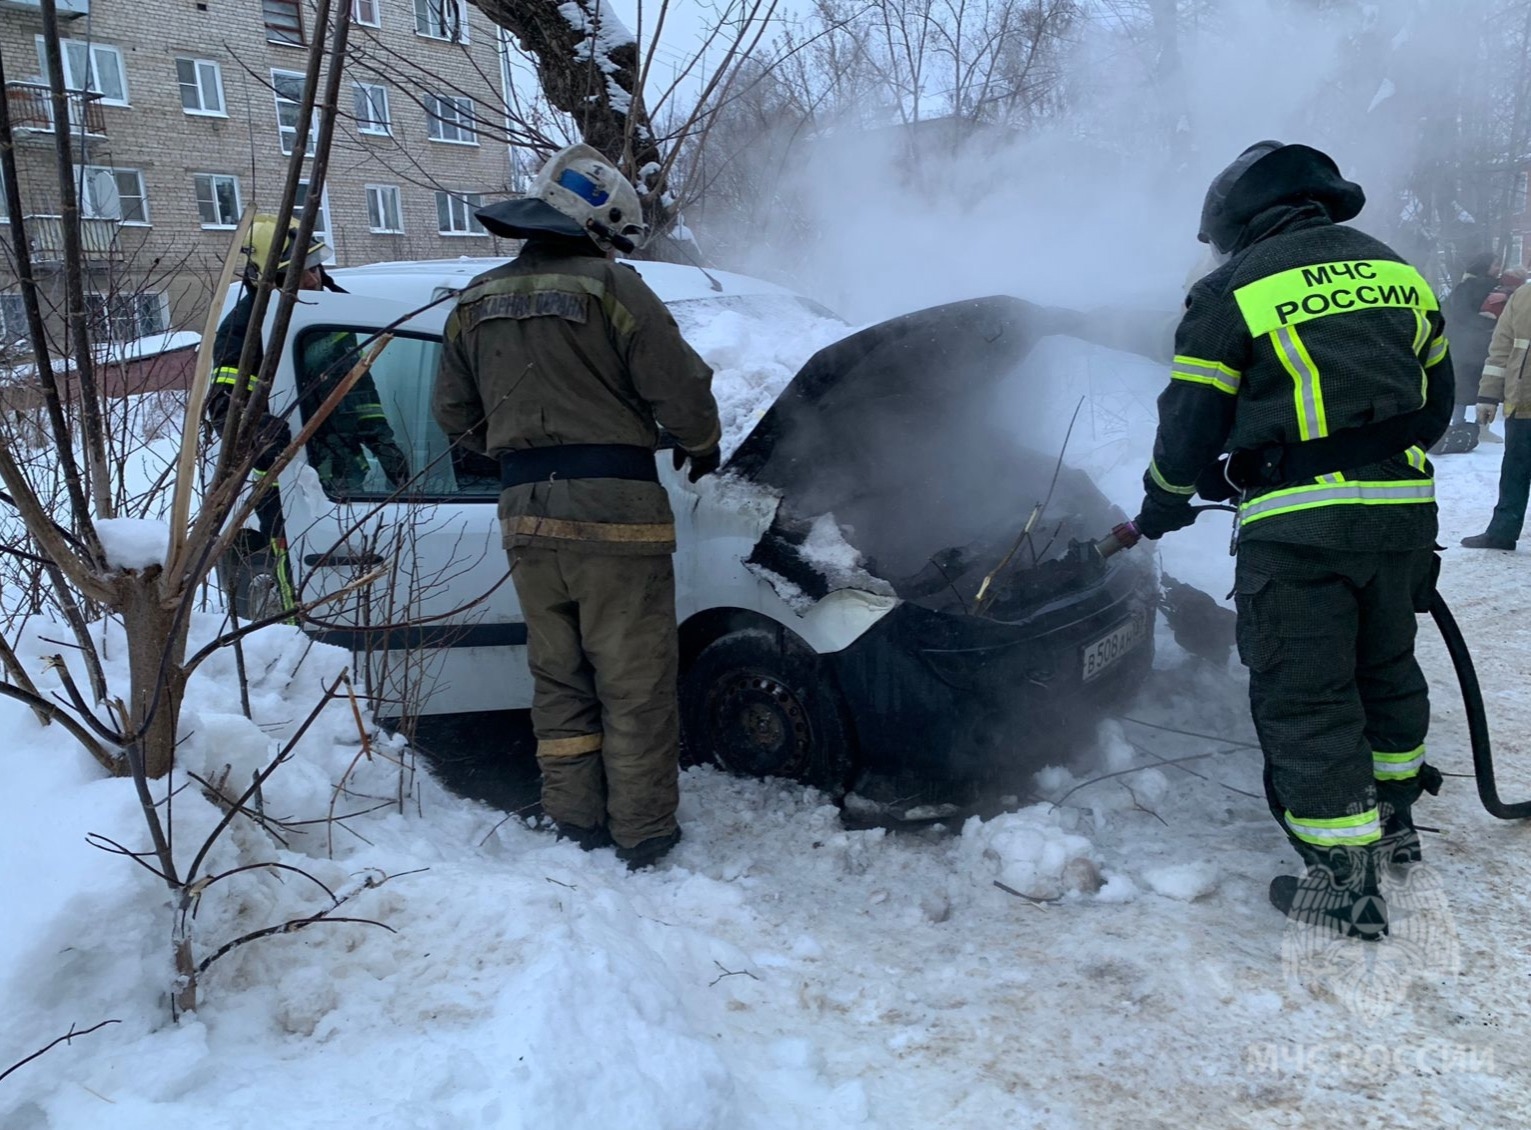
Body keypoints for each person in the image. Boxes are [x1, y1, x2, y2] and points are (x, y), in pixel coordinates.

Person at [1133, 141, 1454, 939]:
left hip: (1301, 533)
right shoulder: (1395, 272)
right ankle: (1394, 821)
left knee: (1306, 696)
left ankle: (1345, 885)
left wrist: (1169, 498)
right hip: (1402, 522)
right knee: (1383, 669)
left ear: (1238, 222)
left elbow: (1187, 426)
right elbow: (1436, 403)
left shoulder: (1229, 289)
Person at [431, 144, 722, 870]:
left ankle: (574, 820)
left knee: (558, 678)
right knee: (633, 681)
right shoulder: (612, 288)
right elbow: (678, 389)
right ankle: (644, 831)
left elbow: (453, 417)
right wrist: (702, 442)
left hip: (525, 516)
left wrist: (505, 452)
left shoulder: (473, 301)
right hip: (616, 514)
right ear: (599, 224)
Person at [209, 215, 410, 609]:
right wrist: (266, 438)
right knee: (299, 574)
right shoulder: (244, 329)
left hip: (346, 469)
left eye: (315, 268)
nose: (314, 280)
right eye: (298, 274)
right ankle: (298, 634)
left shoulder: (332, 311)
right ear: (267, 279)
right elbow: (225, 406)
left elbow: (358, 389)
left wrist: (381, 440)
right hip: (288, 484)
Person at [1461, 280, 1531, 549]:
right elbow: (1500, 350)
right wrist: (1488, 396)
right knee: (1515, 472)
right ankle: (1502, 532)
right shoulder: (1523, 296)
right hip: (1522, 402)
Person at [1431, 253, 1500, 453]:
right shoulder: (1467, 287)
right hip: (1466, 345)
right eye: (1495, 264)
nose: (1498, 268)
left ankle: (1482, 427)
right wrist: (1489, 321)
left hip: (1482, 344)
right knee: (1463, 386)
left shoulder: (1493, 286)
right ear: (1484, 266)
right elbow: (1462, 315)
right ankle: (1457, 425)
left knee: (1483, 386)